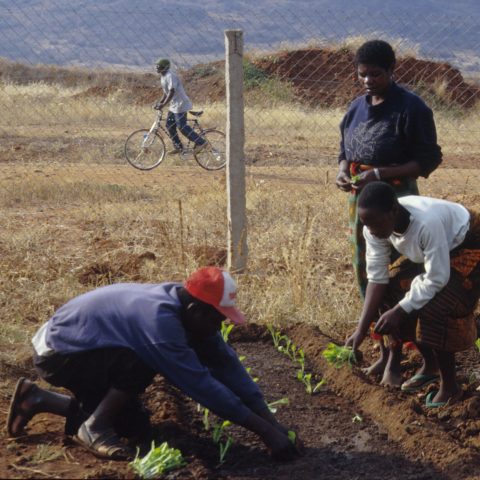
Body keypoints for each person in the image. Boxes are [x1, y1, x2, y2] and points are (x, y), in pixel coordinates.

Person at [6, 267, 302, 461]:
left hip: (84, 346)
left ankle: (36, 399)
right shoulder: (160, 323)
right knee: (142, 361)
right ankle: (94, 427)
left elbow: (226, 364)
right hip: (60, 354)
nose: (221, 324)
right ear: (195, 309)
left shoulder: (190, 311)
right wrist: (264, 433)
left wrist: (270, 419)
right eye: (219, 317)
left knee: (135, 427)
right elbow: (200, 385)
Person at [346, 182, 480, 405]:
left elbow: (437, 278)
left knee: (436, 304)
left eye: (376, 224)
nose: (371, 230)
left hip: (468, 242)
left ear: (394, 212)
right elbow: (377, 277)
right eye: (366, 224)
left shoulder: (425, 224)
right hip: (437, 250)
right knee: (393, 288)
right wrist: (361, 329)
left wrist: (400, 311)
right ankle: (431, 365)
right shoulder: (374, 228)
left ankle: (450, 387)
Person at [335, 39, 442, 298]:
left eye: (375, 74)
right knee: (366, 259)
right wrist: (342, 171)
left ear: (392, 69)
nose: (368, 80)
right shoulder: (356, 109)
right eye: (362, 74)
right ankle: (373, 321)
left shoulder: (411, 108)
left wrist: (379, 174)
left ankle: (403, 322)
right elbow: (345, 151)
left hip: (397, 195)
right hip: (361, 197)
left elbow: (427, 160)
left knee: (400, 258)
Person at [154, 58, 206, 155]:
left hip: (180, 104)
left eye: (158, 66)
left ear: (165, 67)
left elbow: (172, 91)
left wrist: (163, 104)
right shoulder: (163, 76)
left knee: (182, 126)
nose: (156, 68)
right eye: (156, 66)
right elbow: (165, 93)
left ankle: (201, 142)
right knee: (169, 126)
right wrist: (160, 103)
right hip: (174, 105)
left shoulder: (170, 76)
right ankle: (179, 147)